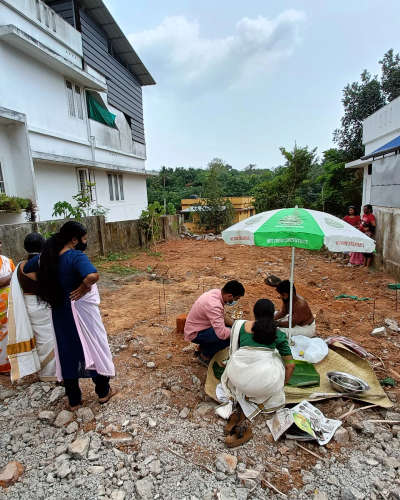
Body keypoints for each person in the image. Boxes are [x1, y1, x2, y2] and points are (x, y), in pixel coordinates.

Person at [23, 221, 115, 410]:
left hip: (59, 312)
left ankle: (74, 400)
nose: (85, 242)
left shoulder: (47, 257)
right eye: (84, 238)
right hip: (79, 313)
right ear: (74, 240)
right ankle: (103, 392)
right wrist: (83, 287)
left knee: (66, 351)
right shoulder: (75, 256)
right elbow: (92, 276)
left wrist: (44, 281)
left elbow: (25, 268)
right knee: (91, 346)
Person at [216, 299, 295, 448]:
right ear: (273, 315)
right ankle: (247, 414)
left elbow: (234, 352)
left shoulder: (240, 326)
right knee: (276, 358)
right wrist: (280, 384)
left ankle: (236, 409)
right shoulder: (278, 334)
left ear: (254, 313)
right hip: (266, 384)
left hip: (238, 377)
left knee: (239, 360)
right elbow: (291, 366)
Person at [7, 233, 56, 382]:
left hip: (29, 307)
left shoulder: (20, 267)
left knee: (41, 339)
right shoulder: (45, 264)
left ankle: (43, 372)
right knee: (51, 339)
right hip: (45, 305)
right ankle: (53, 373)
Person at [184, 280, 245, 365]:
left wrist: (237, 325)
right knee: (230, 338)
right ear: (230, 296)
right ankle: (204, 357)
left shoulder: (217, 293)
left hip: (199, 327)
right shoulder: (214, 305)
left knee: (230, 329)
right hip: (195, 333)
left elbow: (221, 317)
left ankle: (202, 348)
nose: (236, 301)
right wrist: (240, 332)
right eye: (236, 298)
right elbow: (221, 333)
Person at [0, 243, 15, 374]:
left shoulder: (7, 261)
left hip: (8, 305)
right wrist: (9, 277)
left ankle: (7, 365)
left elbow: (15, 279)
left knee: (8, 334)